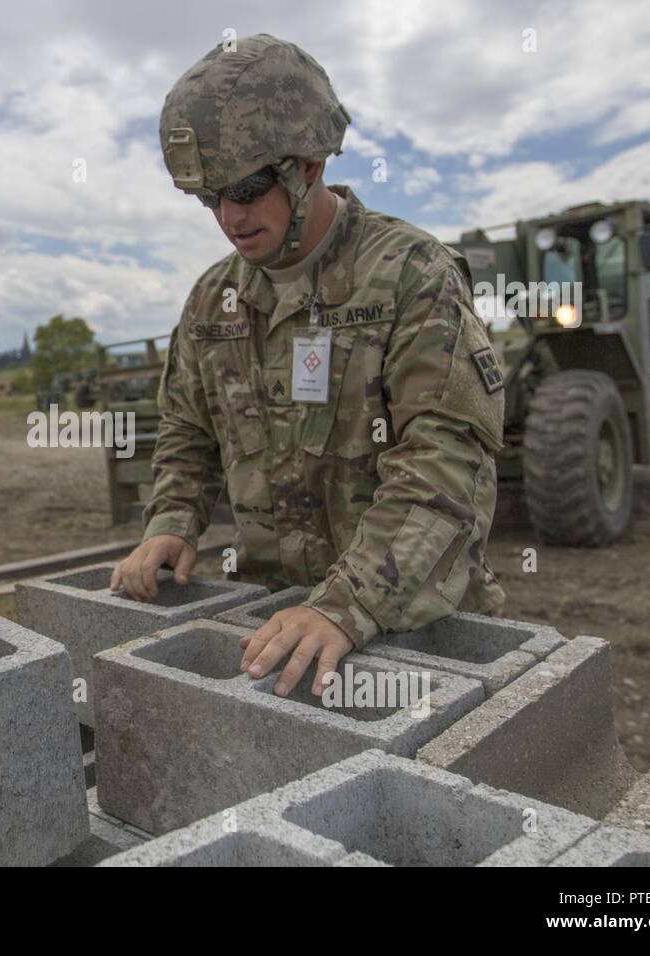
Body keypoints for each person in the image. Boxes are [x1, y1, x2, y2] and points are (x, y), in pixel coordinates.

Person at [111, 34, 506, 701]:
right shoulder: (214, 300)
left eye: (244, 188)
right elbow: (187, 432)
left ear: (310, 164)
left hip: (415, 624)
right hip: (283, 624)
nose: (230, 217)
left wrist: (346, 604)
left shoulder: (410, 274)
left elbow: (446, 463)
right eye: (208, 199)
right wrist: (172, 522)